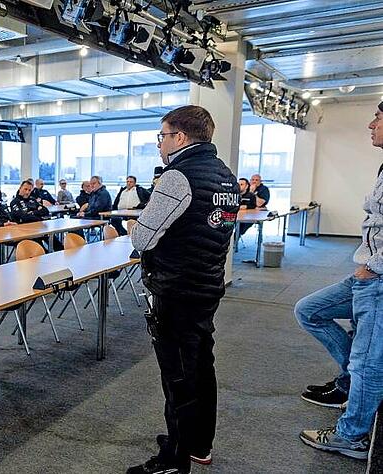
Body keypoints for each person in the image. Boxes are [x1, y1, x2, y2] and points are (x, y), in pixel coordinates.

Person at [127, 105, 238, 474]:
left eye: (162, 136)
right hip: (207, 284)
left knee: (177, 376)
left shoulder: (178, 177)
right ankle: (198, 444)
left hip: (177, 289)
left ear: (180, 137)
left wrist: (134, 226)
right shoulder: (227, 176)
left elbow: (143, 237)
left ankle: (174, 458)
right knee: (201, 368)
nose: (160, 145)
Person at [294, 101, 383, 461]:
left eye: (378, 118)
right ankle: (359, 386)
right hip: (365, 273)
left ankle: (353, 435)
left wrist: (374, 267)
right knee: (309, 311)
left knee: (368, 362)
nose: (371, 124)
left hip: (376, 277)